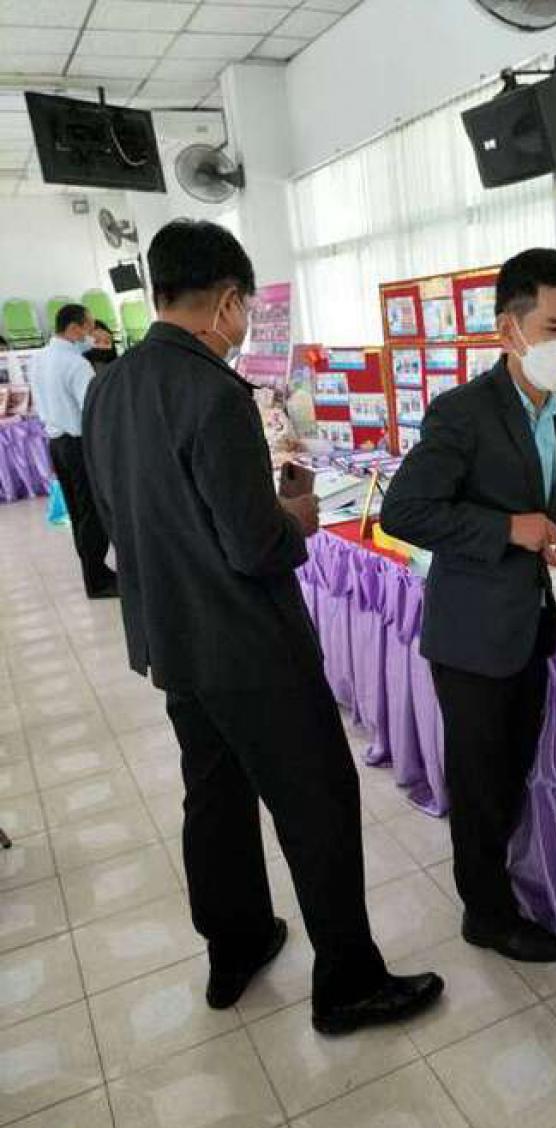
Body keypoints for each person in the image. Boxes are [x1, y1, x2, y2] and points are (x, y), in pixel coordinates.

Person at [82, 219, 443, 1033]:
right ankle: (348, 984)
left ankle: (236, 945)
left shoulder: (112, 385)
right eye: (243, 308)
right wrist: (298, 518)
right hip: (249, 647)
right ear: (228, 302)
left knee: (212, 797)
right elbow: (254, 545)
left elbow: (115, 512)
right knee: (317, 803)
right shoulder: (215, 392)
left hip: (170, 637)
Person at [381, 248, 556, 963]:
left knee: (511, 773)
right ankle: (486, 914)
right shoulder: (462, 413)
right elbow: (406, 511)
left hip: (531, 623)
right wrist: (505, 529)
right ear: (510, 330)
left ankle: (505, 884)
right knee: (479, 783)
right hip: (471, 634)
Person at [32, 303, 117, 599]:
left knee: (78, 511)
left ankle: (94, 572)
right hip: (78, 445)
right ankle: (98, 580)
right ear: (74, 328)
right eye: (89, 328)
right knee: (92, 512)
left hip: (56, 443)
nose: (93, 334)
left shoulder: (40, 358)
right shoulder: (76, 365)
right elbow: (92, 410)